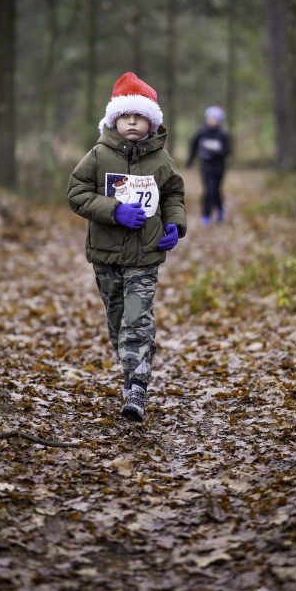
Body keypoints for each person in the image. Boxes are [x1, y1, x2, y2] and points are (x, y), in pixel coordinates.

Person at [67, 72, 186, 422]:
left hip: (146, 254)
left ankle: (137, 386)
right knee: (119, 321)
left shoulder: (161, 160)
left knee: (138, 317)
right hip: (106, 256)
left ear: (150, 120)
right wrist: (115, 210)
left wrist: (175, 225)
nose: (132, 121)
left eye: (139, 115)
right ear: (113, 118)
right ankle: (133, 365)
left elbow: (174, 195)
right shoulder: (97, 155)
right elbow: (76, 194)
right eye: (125, 115)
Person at [186, 105, 231, 226]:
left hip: (219, 166)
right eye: (210, 118)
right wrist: (190, 161)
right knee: (209, 190)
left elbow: (227, 151)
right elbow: (193, 146)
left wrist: (215, 152)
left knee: (216, 190)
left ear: (219, 120)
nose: (212, 121)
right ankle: (206, 215)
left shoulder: (223, 134)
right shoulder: (202, 132)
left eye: (215, 119)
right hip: (206, 166)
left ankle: (220, 209)